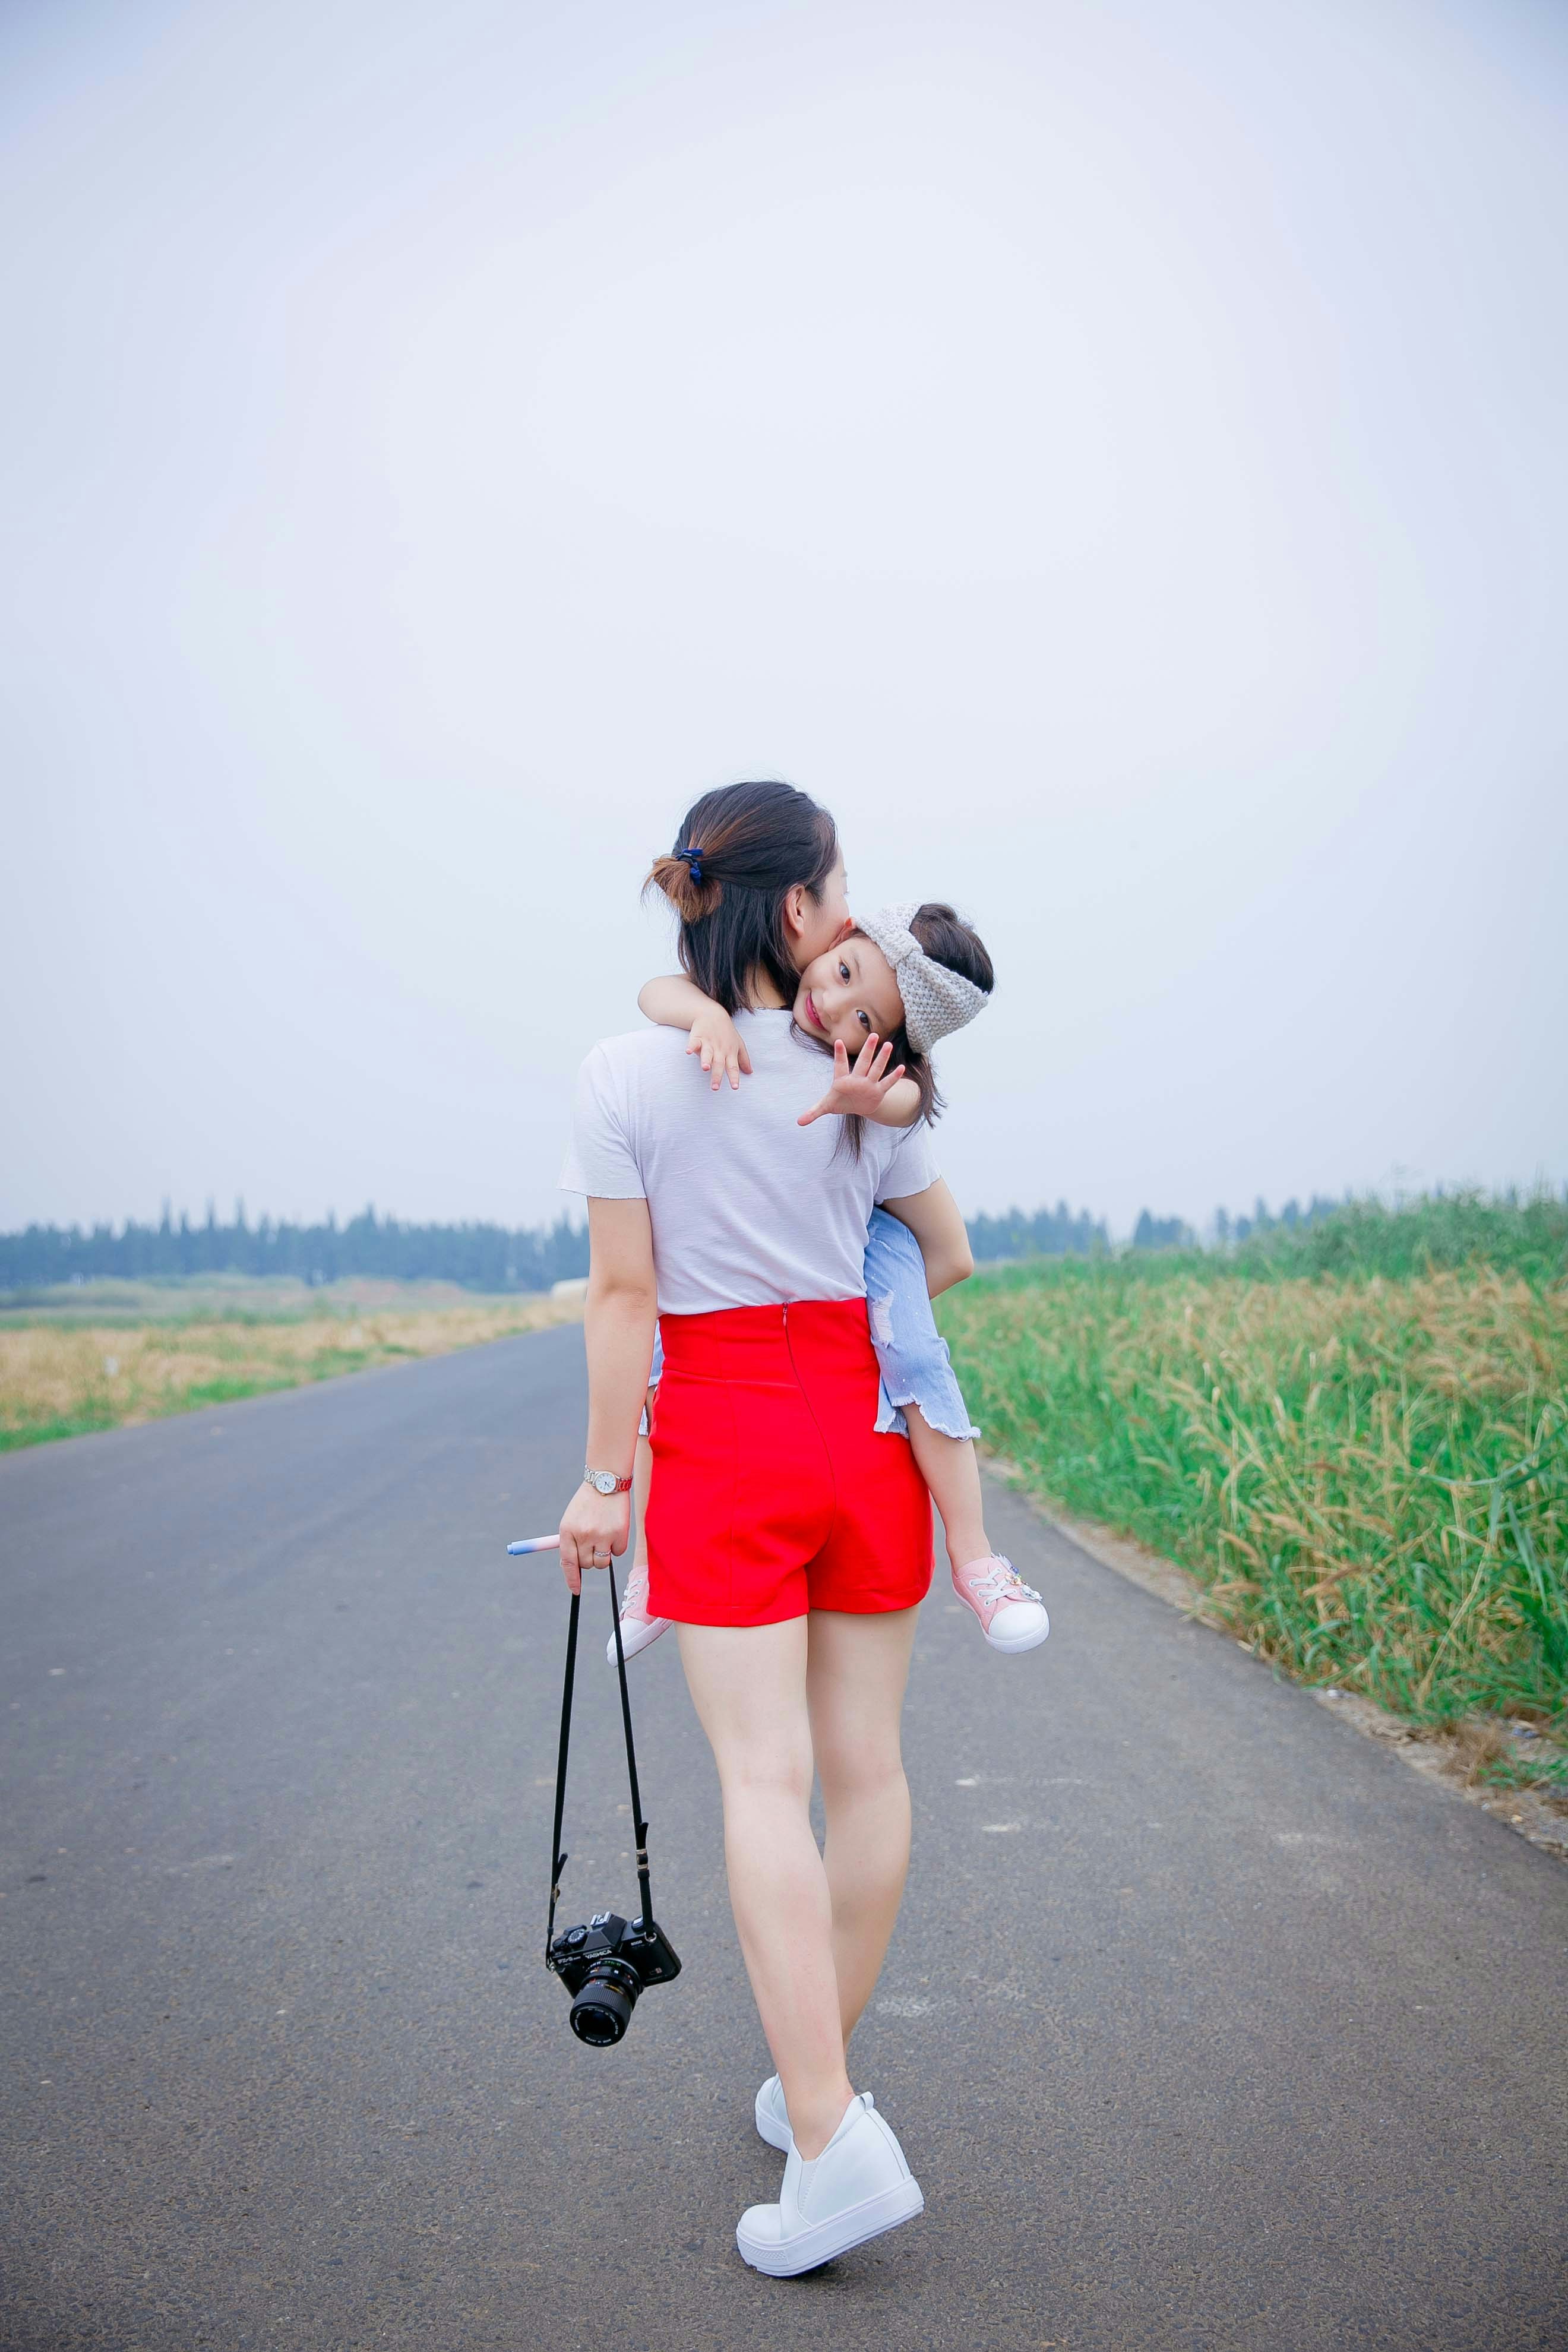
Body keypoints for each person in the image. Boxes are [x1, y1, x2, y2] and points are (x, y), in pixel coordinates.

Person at [557, 780, 969, 2274]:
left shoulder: (627, 1068)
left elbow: (620, 1298)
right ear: (794, 912)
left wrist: (609, 1477)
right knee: (866, 1773)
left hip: (724, 1431)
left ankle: (830, 2127)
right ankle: (817, 2093)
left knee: (758, 1777)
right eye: (842, 892)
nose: (853, 916)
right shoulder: (863, 1059)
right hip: (861, 1432)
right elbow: (949, 1251)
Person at [612, 902, 1050, 1666]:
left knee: (915, 1356)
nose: (832, 1004)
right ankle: (650, 1574)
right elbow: (656, 992)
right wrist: (705, 1015)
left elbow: (913, 1098)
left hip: (871, 1237)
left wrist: (871, 1099)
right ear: (837, 940)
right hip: (734, 1254)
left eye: (863, 1018)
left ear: (886, 1043)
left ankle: (978, 1559)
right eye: (843, 973)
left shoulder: (879, 1081)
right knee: (660, 1368)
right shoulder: (772, 994)